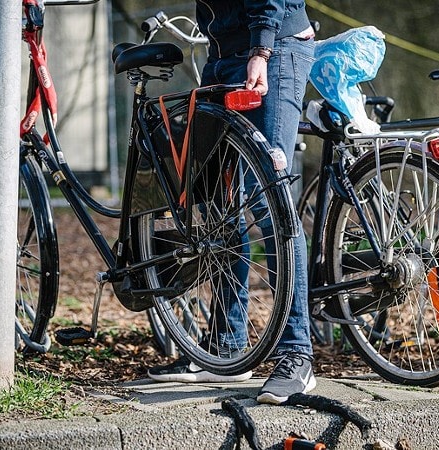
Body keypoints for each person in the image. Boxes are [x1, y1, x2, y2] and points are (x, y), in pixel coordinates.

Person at [147, 0, 316, 405]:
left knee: (270, 204)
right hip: (222, 56)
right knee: (221, 206)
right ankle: (228, 347)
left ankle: (297, 354)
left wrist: (261, 49)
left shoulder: (266, 48)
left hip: (273, 48)